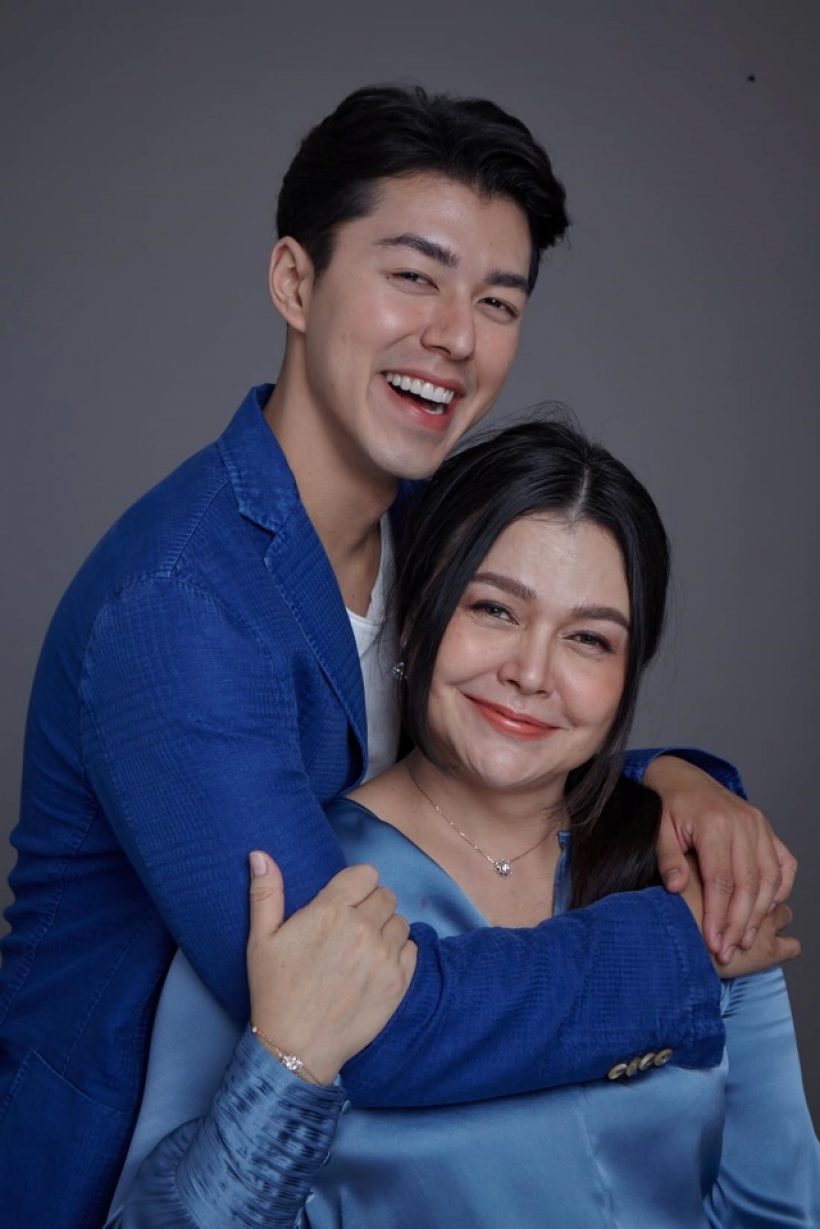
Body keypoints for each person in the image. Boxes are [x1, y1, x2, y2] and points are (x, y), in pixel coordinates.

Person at [0, 86, 793, 1227]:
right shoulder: (180, 612)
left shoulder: (422, 525)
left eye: (496, 300)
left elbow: (511, 717)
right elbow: (376, 1017)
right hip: (141, 1174)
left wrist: (674, 781)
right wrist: (684, 946)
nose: (456, 336)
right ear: (295, 282)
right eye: (415, 276)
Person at [109, 419, 818, 1228]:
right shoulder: (295, 884)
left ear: (627, 677)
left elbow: (781, 1207)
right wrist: (286, 1065)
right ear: (415, 618)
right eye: (495, 608)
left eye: (589, 639)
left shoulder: (694, 869)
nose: (531, 672)